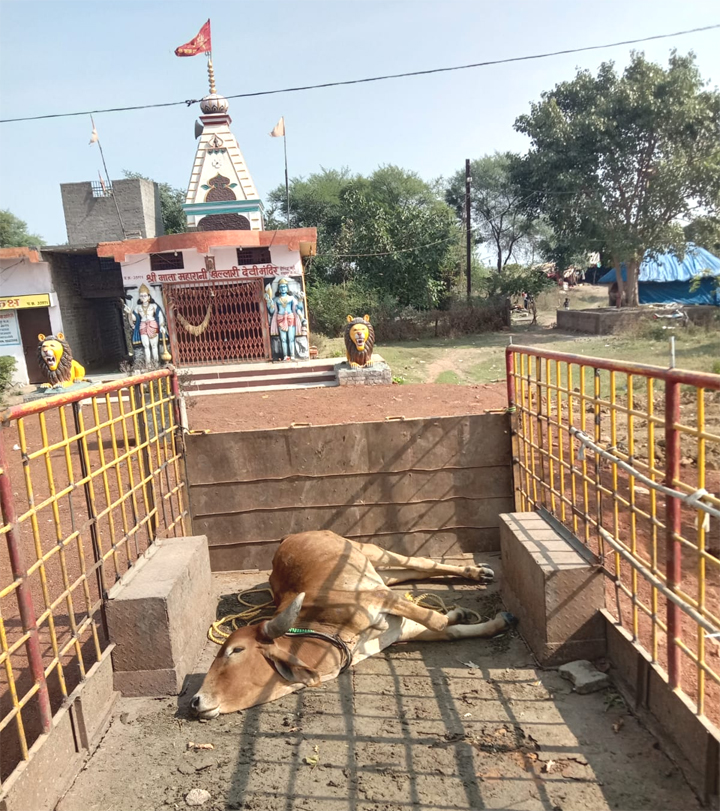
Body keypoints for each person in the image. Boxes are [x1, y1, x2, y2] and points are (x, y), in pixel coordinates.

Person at [264, 278, 306, 361]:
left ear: (287, 288)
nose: (283, 289)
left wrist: (300, 300)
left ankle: (292, 355)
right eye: (281, 287)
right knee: (283, 339)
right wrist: (268, 301)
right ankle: (285, 356)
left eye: (284, 287)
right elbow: (272, 311)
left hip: (290, 318)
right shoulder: (276, 299)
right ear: (279, 289)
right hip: (280, 319)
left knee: (291, 338)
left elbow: (298, 309)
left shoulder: (292, 298)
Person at [124, 284, 165, 366]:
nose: (143, 297)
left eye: (145, 295)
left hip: (153, 325)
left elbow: (160, 315)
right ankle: (148, 364)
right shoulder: (138, 307)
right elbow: (134, 319)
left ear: (149, 296)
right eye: (141, 296)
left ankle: (156, 363)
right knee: (146, 346)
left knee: (154, 345)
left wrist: (161, 326)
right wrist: (130, 313)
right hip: (142, 326)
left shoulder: (154, 306)